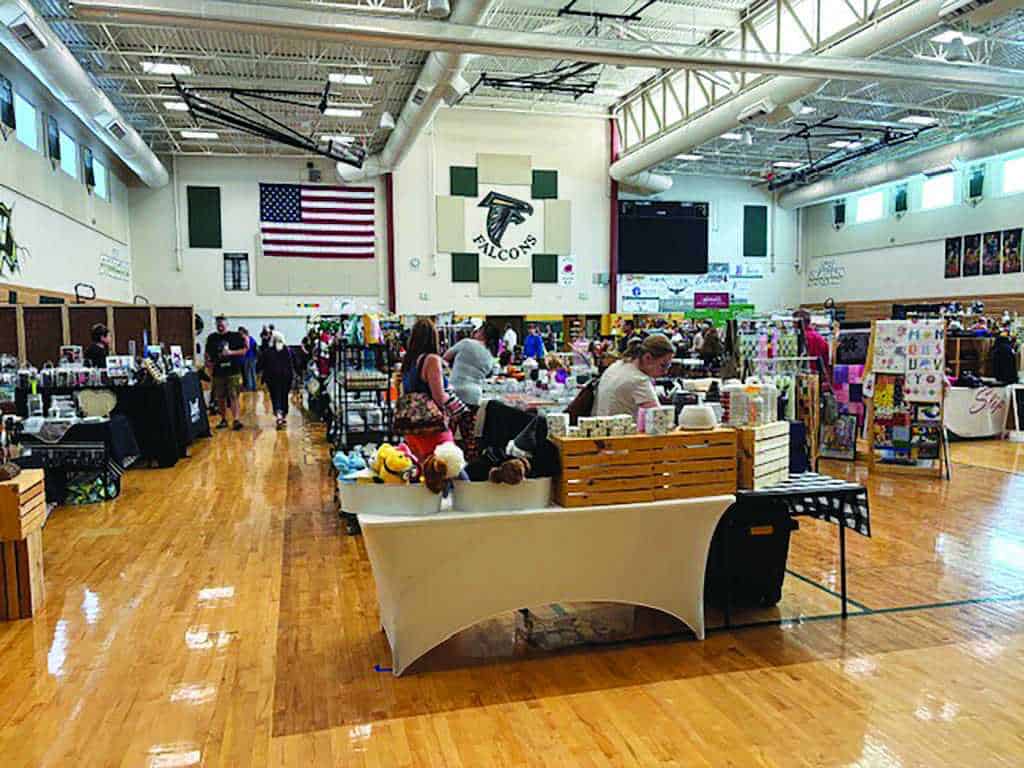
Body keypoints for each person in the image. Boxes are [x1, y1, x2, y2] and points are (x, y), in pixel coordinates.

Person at [400, 318, 455, 463]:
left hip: (411, 428)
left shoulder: (408, 362)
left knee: (422, 473)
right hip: (432, 428)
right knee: (451, 470)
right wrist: (451, 399)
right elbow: (438, 396)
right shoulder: (431, 360)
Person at [593, 333, 674, 420]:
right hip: (622, 432)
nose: (665, 372)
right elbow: (659, 419)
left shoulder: (617, 366)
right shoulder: (638, 380)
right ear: (647, 358)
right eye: (663, 365)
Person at [204, 315, 246, 430]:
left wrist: (231, 353)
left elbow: (244, 350)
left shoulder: (235, 336)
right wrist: (208, 364)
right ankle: (223, 419)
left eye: (222, 325)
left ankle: (236, 420)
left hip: (233, 371)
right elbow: (207, 354)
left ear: (227, 324)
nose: (220, 327)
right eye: (218, 325)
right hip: (218, 372)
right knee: (220, 397)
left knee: (233, 396)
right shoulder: (212, 338)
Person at [444, 322, 498, 408]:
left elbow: (445, 358)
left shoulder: (466, 343)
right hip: (475, 396)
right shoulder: (491, 356)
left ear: (482, 333)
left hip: (457, 392)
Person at [262, 331, 293, 429]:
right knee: (284, 396)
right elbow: (295, 363)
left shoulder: (267, 351)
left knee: (275, 396)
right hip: (286, 378)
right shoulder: (288, 350)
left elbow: (261, 365)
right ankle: (283, 415)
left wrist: (262, 378)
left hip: (272, 378)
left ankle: (279, 415)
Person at [795, 310, 831, 381]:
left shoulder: (804, 337)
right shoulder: (816, 335)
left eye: (794, 323)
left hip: (808, 376)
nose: (793, 325)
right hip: (819, 375)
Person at [239, 327, 258, 391]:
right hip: (253, 357)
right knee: (253, 373)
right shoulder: (251, 338)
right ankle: (254, 387)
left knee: (248, 373)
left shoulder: (246, 338)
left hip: (248, 358)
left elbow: (247, 347)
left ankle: (249, 388)